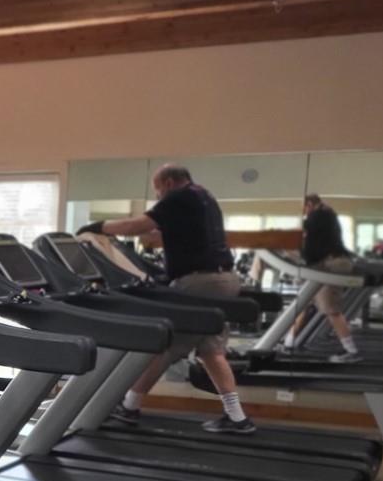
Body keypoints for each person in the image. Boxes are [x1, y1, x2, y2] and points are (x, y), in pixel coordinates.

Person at [77, 164, 256, 434]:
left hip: (199, 282)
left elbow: (137, 225)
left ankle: (130, 406)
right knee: (211, 351)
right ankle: (237, 417)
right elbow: (171, 233)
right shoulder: (203, 196)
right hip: (224, 279)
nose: (158, 195)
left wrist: (98, 227)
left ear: (169, 183)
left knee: (164, 345)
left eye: (157, 189)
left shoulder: (178, 196)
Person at [291, 192, 362, 362]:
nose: (303, 212)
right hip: (332, 262)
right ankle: (289, 342)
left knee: (332, 310)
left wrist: (301, 255)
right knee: (304, 303)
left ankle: (352, 351)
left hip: (330, 265)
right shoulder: (328, 214)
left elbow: (311, 248)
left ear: (309, 205)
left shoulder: (317, 217)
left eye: (304, 208)